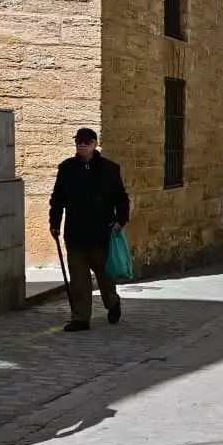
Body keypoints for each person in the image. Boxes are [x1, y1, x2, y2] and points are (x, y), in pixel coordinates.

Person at [49, 128, 130, 332]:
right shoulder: (66, 168)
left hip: (101, 233)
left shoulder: (109, 169)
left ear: (94, 145)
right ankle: (81, 318)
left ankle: (112, 303)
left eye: (86, 142)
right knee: (78, 279)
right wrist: (54, 223)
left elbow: (121, 198)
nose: (81, 145)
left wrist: (120, 220)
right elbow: (57, 199)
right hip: (75, 233)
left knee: (105, 278)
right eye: (78, 141)